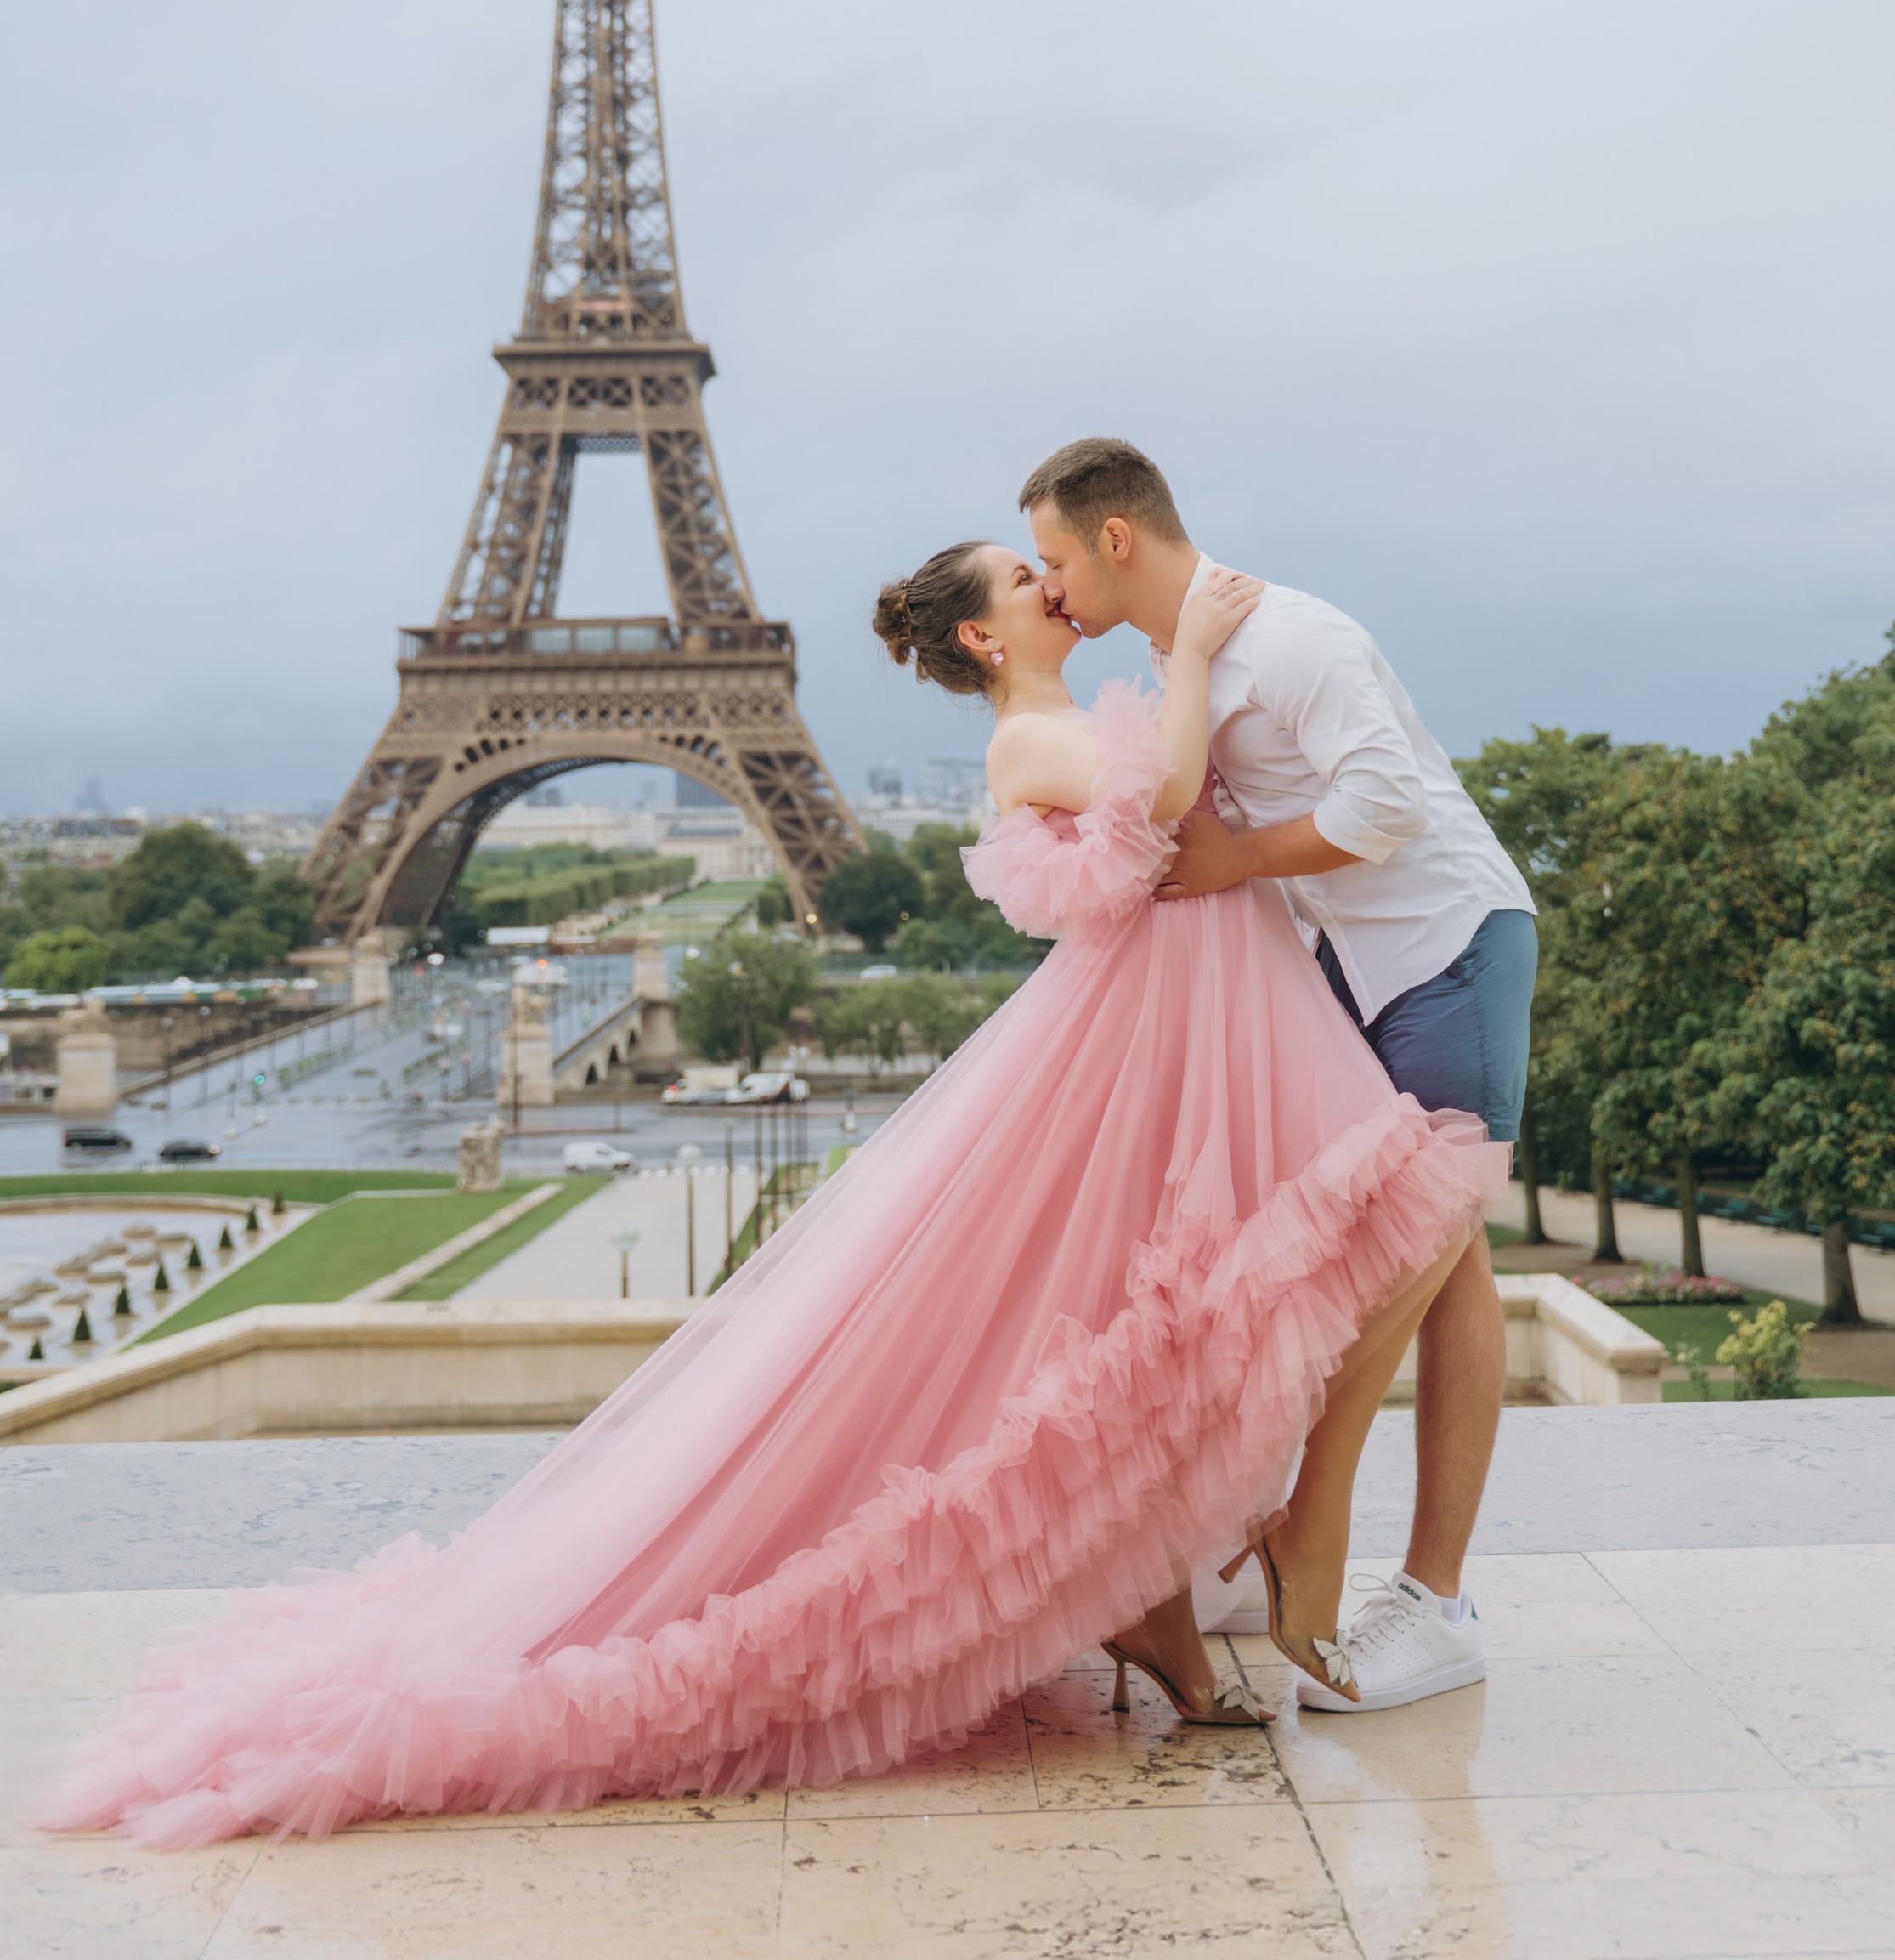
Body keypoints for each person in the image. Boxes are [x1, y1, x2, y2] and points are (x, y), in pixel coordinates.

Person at [39, 540, 1503, 1850]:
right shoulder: (1039, 737)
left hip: (1179, 1037)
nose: (1049, 587)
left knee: (1147, 1315)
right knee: (1161, 1307)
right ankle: (1199, 1594)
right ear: (986, 641)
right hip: (1157, 1039)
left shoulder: (1064, 714)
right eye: (1022, 578)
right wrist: (1186, 652)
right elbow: (1174, 797)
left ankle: (1171, 1593)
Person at [1021, 437, 1536, 1712]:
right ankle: (1308, 1536)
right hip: (1353, 973)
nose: (1050, 590)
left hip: (1445, 951)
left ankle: (1428, 1593)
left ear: (1117, 540)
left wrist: (1235, 870)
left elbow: (1388, 810)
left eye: (1055, 560)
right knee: (1424, 1251)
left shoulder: (1297, 637)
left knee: (1438, 1249)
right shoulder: (1174, 658)